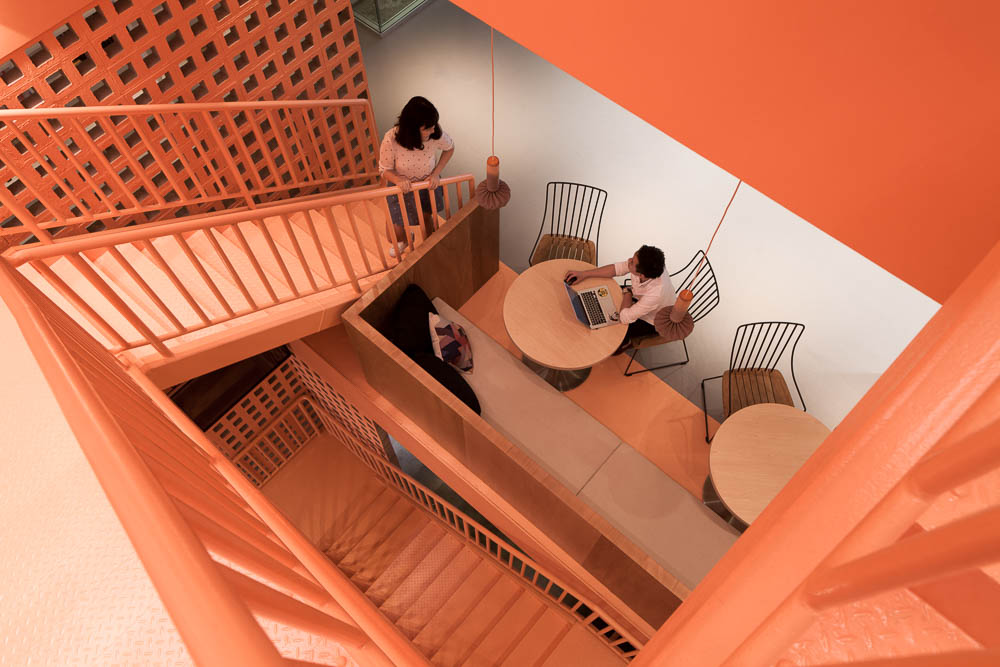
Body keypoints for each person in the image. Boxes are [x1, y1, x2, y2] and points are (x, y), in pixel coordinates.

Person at [378, 96, 455, 256]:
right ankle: (406, 239)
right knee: (393, 234)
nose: (433, 131)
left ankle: (429, 253)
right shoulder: (391, 139)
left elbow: (450, 148)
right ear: (412, 128)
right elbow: (384, 169)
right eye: (427, 128)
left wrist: (436, 174)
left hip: (426, 185)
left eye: (433, 126)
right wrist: (399, 180)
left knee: (427, 224)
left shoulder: (435, 134)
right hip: (402, 186)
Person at [563, 245, 675, 355]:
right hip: (638, 296)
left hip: (653, 319)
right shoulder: (649, 265)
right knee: (603, 297)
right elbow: (618, 268)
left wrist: (627, 292)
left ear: (641, 275)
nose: (628, 260)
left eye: (632, 262)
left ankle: (625, 343)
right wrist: (584, 274)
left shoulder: (656, 294)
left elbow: (624, 317)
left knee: (612, 333)